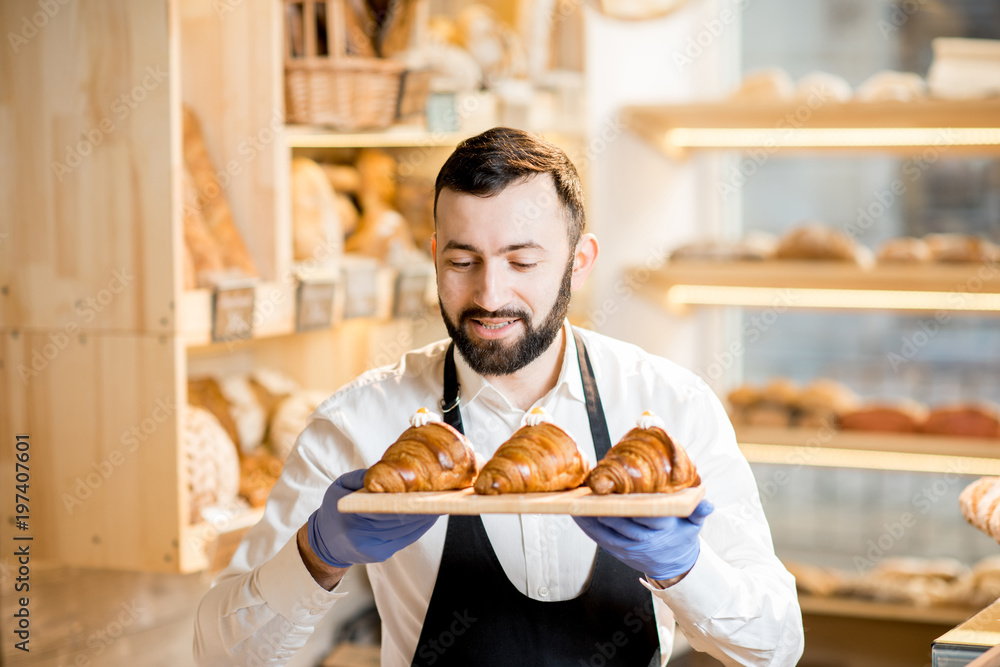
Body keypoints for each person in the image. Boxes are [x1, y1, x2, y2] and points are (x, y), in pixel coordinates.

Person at [194, 127, 804, 666]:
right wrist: (316, 555)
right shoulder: (360, 422)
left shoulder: (669, 406)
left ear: (579, 261)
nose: (490, 295)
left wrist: (685, 568)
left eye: (522, 262)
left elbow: (775, 646)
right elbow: (219, 656)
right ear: (435, 258)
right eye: (464, 261)